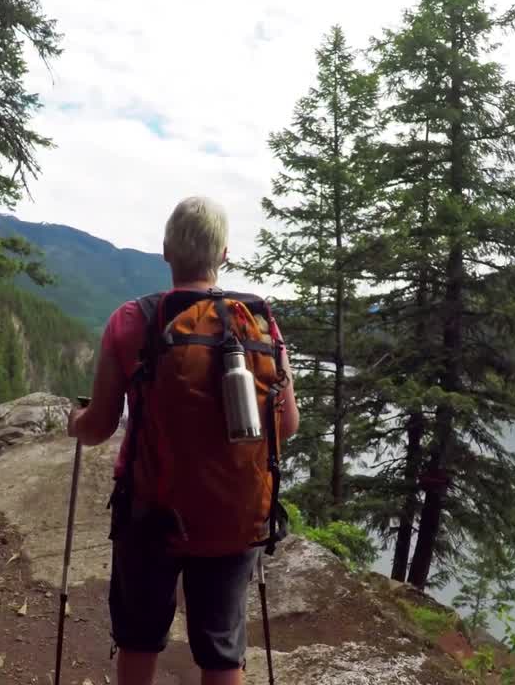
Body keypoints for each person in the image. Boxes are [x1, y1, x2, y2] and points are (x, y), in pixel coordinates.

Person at [68, 196, 299, 685]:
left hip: (150, 510)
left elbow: (100, 427)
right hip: (234, 515)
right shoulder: (259, 321)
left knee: (139, 637)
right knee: (220, 651)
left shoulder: (131, 320)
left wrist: (76, 420)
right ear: (225, 255)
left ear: (166, 249)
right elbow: (288, 425)